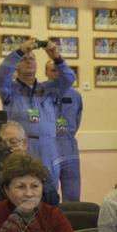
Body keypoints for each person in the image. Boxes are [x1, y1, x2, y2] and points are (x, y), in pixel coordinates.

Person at [0, 39, 75, 190]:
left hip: (49, 149)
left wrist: (56, 56)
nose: (28, 61)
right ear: (17, 65)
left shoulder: (49, 89)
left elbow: (69, 78)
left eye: (32, 59)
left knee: (50, 197)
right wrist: (20, 51)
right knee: (25, 194)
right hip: (23, 149)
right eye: (24, 59)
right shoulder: (9, 90)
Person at [0, 121, 60, 215]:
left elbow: (52, 202)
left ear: (24, 144)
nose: (8, 148)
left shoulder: (38, 171)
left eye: (13, 142)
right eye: (2, 144)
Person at [48, 59, 83, 203]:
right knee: (49, 194)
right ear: (46, 73)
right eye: (53, 70)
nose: (57, 73)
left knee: (73, 195)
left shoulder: (75, 96)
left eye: (59, 70)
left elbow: (77, 119)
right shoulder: (40, 94)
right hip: (49, 148)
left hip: (69, 147)